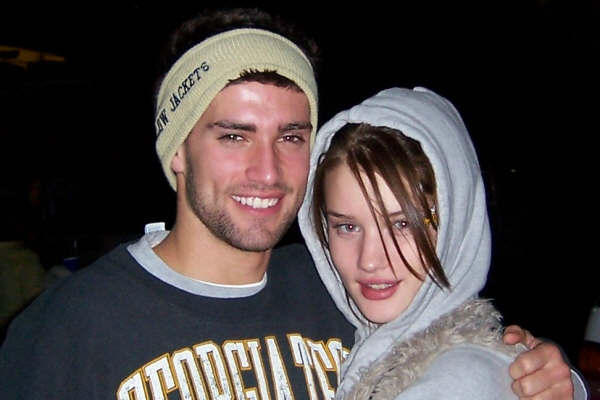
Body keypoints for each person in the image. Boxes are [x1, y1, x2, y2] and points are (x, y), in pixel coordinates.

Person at [0, 9, 582, 400]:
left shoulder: (347, 289)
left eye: (291, 136)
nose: (268, 170)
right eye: (234, 135)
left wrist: (552, 379)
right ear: (176, 150)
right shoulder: (68, 330)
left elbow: (461, 343)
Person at [298, 87, 588, 399]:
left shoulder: (456, 380)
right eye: (347, 226)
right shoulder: (367, 338)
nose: (369, 260)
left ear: (454, 221)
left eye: (402, 224)